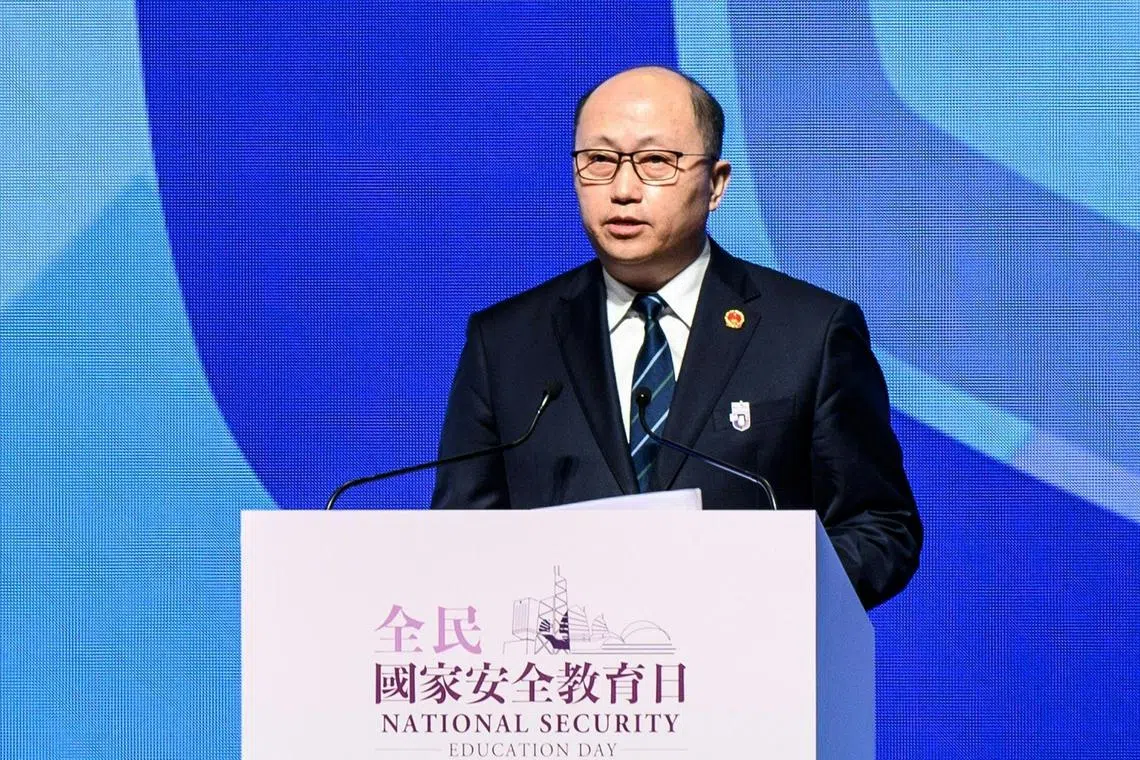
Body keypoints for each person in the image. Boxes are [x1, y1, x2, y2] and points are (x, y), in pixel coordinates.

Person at [431, 66, 921, 609]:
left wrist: (772, 595)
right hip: (568, 675)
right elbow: (458, 541)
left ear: (715, 184)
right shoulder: (505, 342)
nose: (622, 190)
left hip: (749, 671)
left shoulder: (809, 332)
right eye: (598, 161)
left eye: (655, 162)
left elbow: (879, 527)